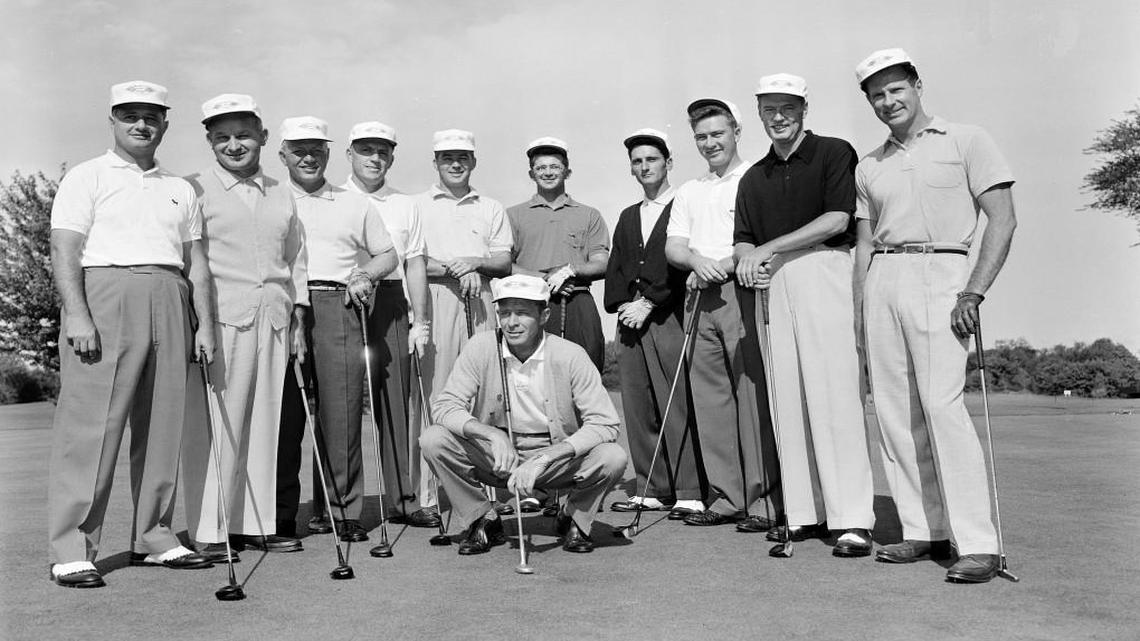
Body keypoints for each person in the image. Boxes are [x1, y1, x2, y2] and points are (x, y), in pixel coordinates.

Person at [852, 48, 1017, 583]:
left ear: (917, 85)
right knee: (895, 412)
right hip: (883, 277)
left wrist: (974, 292)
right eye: (877, 94)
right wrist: (859, 311)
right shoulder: (869, 164)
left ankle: (979, 544)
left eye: (896, 89)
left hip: (943, 273)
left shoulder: (967, 139)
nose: (888, 101)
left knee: (942, 407)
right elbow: (864, 245)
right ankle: (924, 530)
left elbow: (1002, 219)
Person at [47, 81, 215, 588]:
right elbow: (64, 250)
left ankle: (154, 537)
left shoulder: (180, 188)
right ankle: (72, 547)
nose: (141, 124)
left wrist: (205, 324)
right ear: (113, 121)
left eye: (151, 116)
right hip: (106, 295)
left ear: (165, 123)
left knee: (163, 425)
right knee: (91, 428)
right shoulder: (86, 176)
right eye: (129, 115)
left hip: (170, 294)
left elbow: (196, 264)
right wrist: (77, 314)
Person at [733, 74, 875, 556]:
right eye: (769, 109)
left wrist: (766, 249)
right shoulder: (754, 176)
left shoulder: (834, 152)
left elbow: (838, 219)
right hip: (774, 281)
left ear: (803, 110)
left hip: (825, 269)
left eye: (788, 108)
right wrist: (749, 259)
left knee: (836, 395)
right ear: (759, 114)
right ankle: (804, 513)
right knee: (787, 399)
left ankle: (852, 518)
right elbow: (743, 239)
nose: (779, 118)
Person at [181, 94, 309, 562]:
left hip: (273, 320)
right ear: (210, 141)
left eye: (243, 135)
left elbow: (296, 260)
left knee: (265, 425)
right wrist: (199, 324)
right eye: (222, 137)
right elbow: (189, 261)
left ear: (263, 137)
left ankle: (254, 526)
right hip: (221, 321)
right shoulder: (193, 189)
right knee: (219, 425)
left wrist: (298, 319)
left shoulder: (281, 191)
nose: (234, 145)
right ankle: (210, 530)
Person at [420, 274, 627, 554]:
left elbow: (605, 423)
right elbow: (445, 406)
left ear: (544, 316)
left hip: (556, 458)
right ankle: (482, 518)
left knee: (612, 457)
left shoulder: (571, 355)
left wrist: (546, 457)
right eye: (505, 313)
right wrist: (491, 434)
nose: (512, 322)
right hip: (496, 454)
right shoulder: (480, 347)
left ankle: (574, 517)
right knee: (433, 439)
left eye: (522, 313)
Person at [277, 116, 398, 542]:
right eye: (299, 150)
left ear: (329, 153)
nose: (308, 157)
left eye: (316, 150)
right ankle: (279, 515)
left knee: (341, 412)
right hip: (283, 305)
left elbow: (387, 255)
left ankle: (341, 510)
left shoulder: (354, 202)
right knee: (285, 414)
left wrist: (365, 274)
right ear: (283, 155)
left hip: (337, 302)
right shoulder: (272, 198)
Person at [664, 98, 781, 529]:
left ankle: (764, 499)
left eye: (718, 133)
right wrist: (697, 263)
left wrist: (723, 265)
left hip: (741, 289)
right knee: (710, 400)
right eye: (702, 137)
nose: (710, 143)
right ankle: (728, 497)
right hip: (699, 294)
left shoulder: (756, 177)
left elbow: (763, 239)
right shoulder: (689, 190)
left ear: (736, 132)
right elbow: (675, 246)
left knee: (751, 397)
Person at [411, 129, 513, 524]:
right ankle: (428, 497)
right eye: (447, 157)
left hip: (481, 299)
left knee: (485, 392)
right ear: (435, 161)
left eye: (463, 157)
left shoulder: (490, 206)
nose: (455, 164)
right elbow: (414, 260)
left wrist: (474, 263)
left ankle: (491, 489)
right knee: (435, 392)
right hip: (435, 299)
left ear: (473, 161)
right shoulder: (417, 205)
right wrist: (458, 267)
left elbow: (502, 261)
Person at [604, 128, 705, 518]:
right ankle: (652, 486)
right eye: (637, 162)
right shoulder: (629, 215)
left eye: (652, 159)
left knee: (674, 401)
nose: (645, 167)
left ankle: (688, 488)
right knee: (638, 404)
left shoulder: (684, 203)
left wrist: (649, 301)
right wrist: (625, 306)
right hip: (630, 320)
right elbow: (617, 266)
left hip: (667, 315)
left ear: (668, 162)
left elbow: (680, 262)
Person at [342, 121, 432, 526]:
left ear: (392, 157)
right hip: (342, 299)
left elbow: (415, 264)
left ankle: (403, 500)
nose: (374, 158)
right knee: (340, 405)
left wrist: (419, 320)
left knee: (395, 403)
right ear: (349, 154)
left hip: (392, 300)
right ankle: (337, 507)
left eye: (382, 151)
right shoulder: (332, 197)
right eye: (365, 150)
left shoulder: (405, 203)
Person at [506, 137, 609, 372]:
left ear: (567, 172)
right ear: (531, 174)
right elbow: (505, 265)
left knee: (585, 371)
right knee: (530, 375)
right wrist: (546, 278)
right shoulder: (513, 215)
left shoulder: (589, 214)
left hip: (576, 300)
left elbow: (601, 263)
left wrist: (569, 271)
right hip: (530, 303)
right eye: (541, 168)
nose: (548, 173)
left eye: (555, 166)